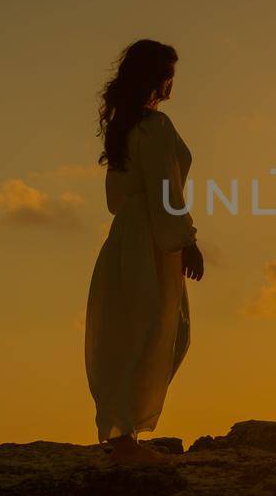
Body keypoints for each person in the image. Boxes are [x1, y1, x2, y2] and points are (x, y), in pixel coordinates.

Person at [84, 40, 205, 464]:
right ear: (154, 77)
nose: (171, 84)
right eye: (168, 74)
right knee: (153, 328)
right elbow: (165, 188)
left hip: (129, 234)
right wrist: (186, 241)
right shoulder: (153, 126)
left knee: (136, 327)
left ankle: (123, 431)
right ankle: (122, 439)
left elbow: (117, 199)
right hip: (151, 235)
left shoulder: (125, 125)